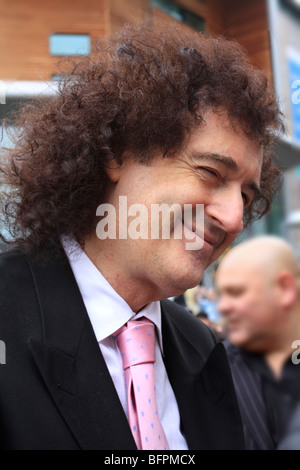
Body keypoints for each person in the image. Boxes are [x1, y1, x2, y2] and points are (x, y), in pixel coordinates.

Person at [0, 21, 283, 450]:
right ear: (118, 153)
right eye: (210, 172)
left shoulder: (200, 347)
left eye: (247, 195)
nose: (234, 218)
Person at [216, 236, 300, 450]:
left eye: (236, 292)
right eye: (220, 295)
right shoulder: (213, 371)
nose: (223, 307)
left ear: (285, 289)